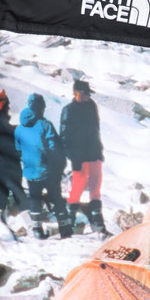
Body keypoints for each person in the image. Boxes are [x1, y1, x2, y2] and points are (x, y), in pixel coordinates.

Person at [14, 93, 72, 239]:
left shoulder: (19, 129)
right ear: (41, 108)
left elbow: (18, 149)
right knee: (57, 199)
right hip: (48, 171)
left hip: (30, 172)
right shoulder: (45, 125)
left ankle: (37, 230)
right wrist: (58, 165)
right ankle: (65, 230)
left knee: (35, 200)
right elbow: (54, 148)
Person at [60, 79, 107, 235]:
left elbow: (96, 129)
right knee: (77, 187)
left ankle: (98, 221)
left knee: (95, 186)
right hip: (78, 156)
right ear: (76, 93)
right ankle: (69, 220)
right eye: (85, 93)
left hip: (94, 153)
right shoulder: (69, 110)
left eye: (89, 93)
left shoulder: (92, 106)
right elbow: (64, 135)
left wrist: (99, 149)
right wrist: (71, 155)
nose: (88, 96)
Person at [0, 88, 27, 222]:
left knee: (2, 194)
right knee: (19, 195)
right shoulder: (4, 123)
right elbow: (11, 140)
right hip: (10, 165)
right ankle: (31, 224)